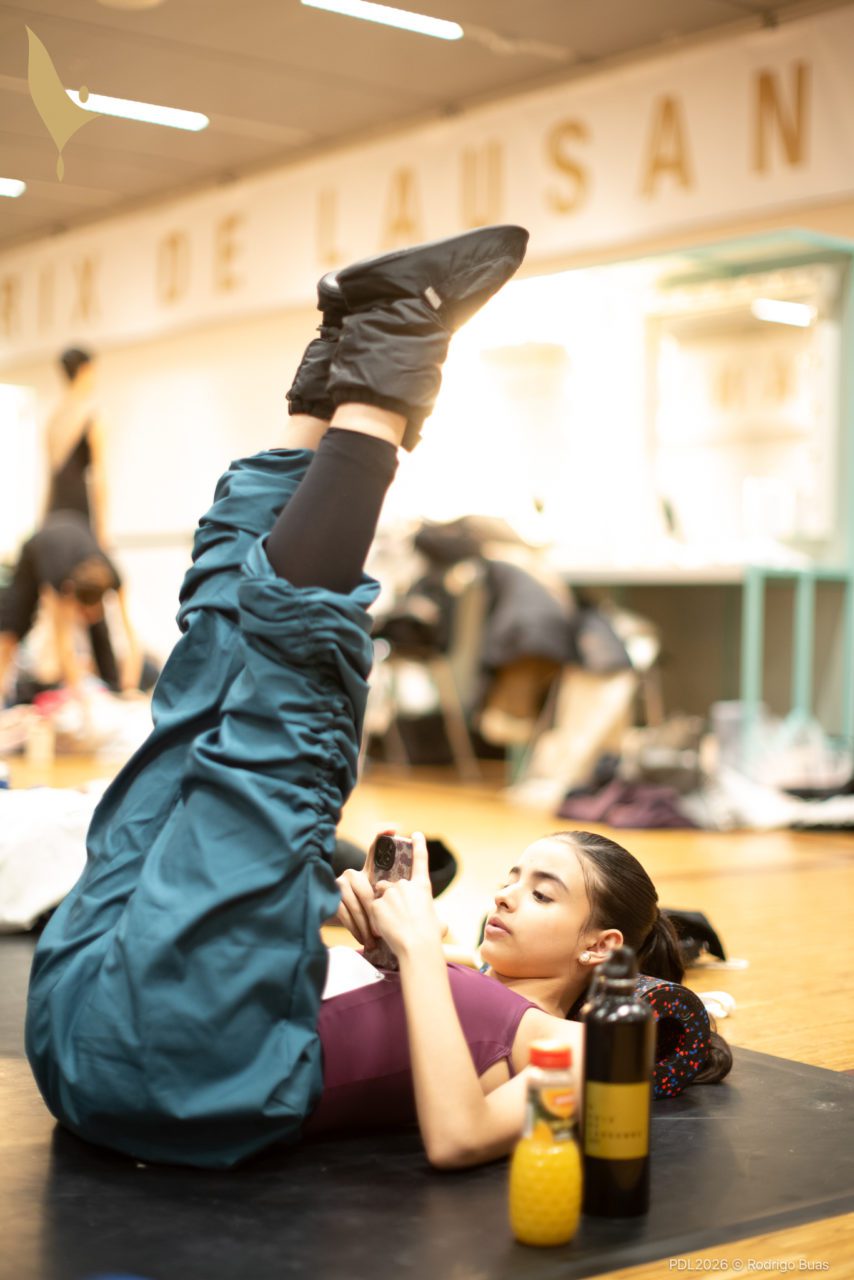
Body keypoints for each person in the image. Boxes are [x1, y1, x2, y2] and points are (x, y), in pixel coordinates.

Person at [24, 225, 726, 1175]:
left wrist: (420, 951)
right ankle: (338, 364)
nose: (506, 894)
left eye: (542, 891)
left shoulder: (568, 1043)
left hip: (178, 1076)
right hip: (89, 1025)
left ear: (600, 949)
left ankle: (395, 346)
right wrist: (393, 949)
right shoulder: (450, 974)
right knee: (210, 683)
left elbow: (460, 1136)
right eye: (518, 875)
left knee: (286, 722)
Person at [0, 511, 143, 703]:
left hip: (75, 533)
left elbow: (130, 634)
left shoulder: (114, 577)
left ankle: (113, 687)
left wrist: (130, 688)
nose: (87, 618)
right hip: (38, 548)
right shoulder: (62, 582)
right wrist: (80, 697)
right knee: (12, 628)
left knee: (100, 634)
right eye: (84, 612)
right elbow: (63, 642)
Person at [44, 348, 107, 543]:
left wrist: (43, 520)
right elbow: (98, 476)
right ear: (83, 370)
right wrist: (102, 530)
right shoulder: (90, 416)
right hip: (79, 510)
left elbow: (51, 478)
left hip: (55, 511)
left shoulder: (53, 420)